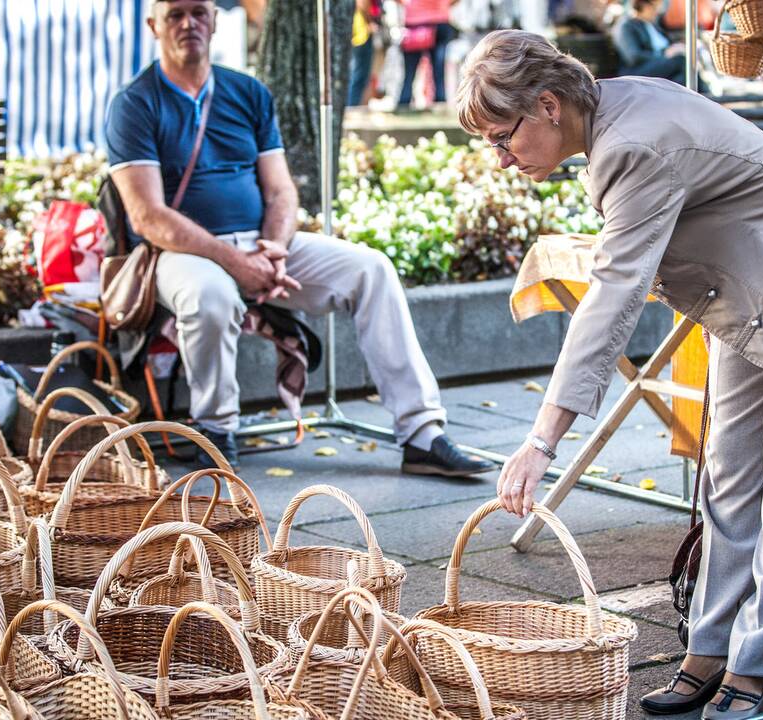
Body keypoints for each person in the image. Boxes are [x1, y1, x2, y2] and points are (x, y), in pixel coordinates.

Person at [456, 31, 763, 719]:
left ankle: (756, 661)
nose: (501, 158)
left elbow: (613, 296)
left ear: (549, 105)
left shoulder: (631, 144)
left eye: (503, 136)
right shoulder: (611, 115)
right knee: (729, 468)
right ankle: (708, 649)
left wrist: (541, 440)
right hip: (748, 283)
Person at [104, 0, 495, 480]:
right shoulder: (134, 102)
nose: (189, 24)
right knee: (210, 295)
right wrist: (235, 262)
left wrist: (273, 250)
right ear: (154, 26)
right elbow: (148, 217)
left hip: (260, 245)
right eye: (176, 14)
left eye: (199, 12)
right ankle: (214, 430)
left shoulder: (246, 92)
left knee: (371, 269)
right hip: (181, 254)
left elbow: (280, 188)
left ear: (214, 18)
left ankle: (422, 435)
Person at [614, 0, 707, 91]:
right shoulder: (627, 26)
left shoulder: (650, 24)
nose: (657, 11)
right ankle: (704, 93)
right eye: (654, 7)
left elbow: (666, 42)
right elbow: (634, 57)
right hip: (638, 70)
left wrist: (677, 47)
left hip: (658, 64)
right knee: (681, 60)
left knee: (683, 74)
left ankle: (695, 94)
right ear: (644, 6)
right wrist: (664, 55)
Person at [397, 0, 457, 109]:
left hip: (415, 20)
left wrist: (408, 4)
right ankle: (440, 104)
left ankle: (404, 103)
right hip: (438, 18)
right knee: (439, 72)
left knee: (409, 73)